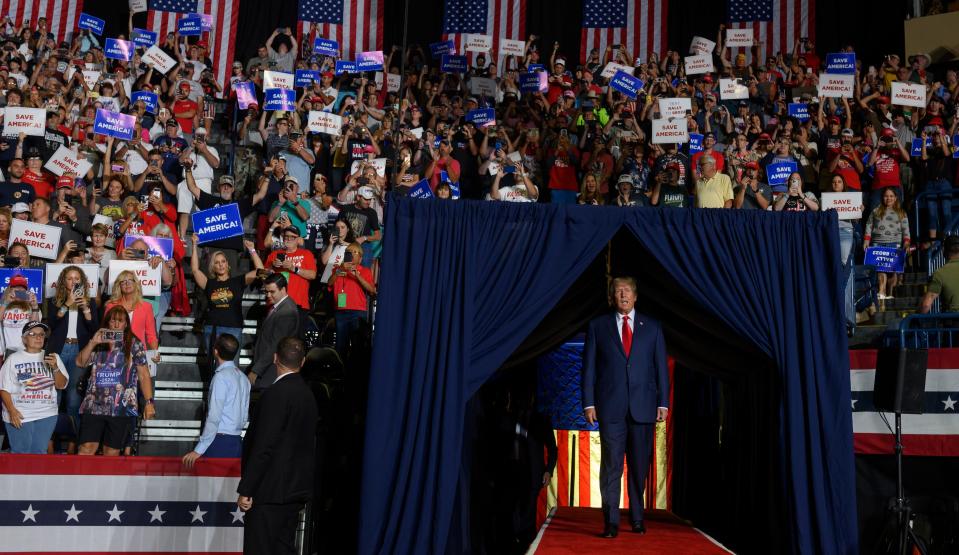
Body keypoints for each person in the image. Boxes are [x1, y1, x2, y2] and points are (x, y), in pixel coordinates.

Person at [581, 277, 668, 538]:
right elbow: (589, 369)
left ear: (636, 296)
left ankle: (638, 518)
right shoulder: (598, 327)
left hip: (643, 408)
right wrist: (588, 402)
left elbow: (660, 368)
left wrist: (663, 402)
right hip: (610, 408)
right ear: (612, 296)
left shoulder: (652, 328)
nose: (623, 295)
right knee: (612, 466)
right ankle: (611, 521)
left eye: (627, 290)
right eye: (618, 291)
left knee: (639, 466)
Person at [237, 337, 318, 555]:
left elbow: (264, 446)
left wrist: (247, 488)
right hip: (294, 491)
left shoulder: (274, 395)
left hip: (269, 491)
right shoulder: (309, 395)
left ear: (275, 358)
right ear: (302, 362)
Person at [75, 306, 156, 456]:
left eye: (120, 321)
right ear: (107, 322)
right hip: (94, 404)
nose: (117, 324)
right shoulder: (98, 341)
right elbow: (80, 363)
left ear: (126, 324)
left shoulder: (134, 343)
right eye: (113, 320)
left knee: (111, 452)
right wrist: (93, 342)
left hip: (121, 407)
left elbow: (144, 375)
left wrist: (149, 402)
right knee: (86, 448)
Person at [45, 265, 99, 440]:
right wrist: (67, 304)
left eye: (77, 278)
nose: (73, 282)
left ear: (82, 282)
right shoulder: (55, 301)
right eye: (70, 278)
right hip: (58, 351)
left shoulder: (89, 302)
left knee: (74, 400)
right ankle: (49, 440)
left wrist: (86, 310)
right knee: (54, 397)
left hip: (79, 351)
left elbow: (94, 329)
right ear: (63, 281)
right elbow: (50, 325)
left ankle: (73, 443)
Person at [182, 333, 250, 466]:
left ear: (216, 351)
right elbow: (245, 414)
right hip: (236, 440)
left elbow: (214, 416)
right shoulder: (243, 378)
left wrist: (199, 449)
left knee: (212, 486)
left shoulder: (221, 377)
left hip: (219, 441)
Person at [0, 322, 67, 453]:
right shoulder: (13, 359)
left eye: (41, 334)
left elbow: (61, 385)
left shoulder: (53, 357)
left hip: (47, 414)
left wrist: (55, 368)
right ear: (24, 339)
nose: (38, 337)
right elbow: (3, 388)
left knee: (39, 453)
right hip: (20, 414)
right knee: (21, 453)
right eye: (33, 334)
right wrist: (12, 411)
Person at [192, 236, 263, 359]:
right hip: (212, 328)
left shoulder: (238, 281)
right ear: (213, 266)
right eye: (217, 262)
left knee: (231, 366)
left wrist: (252, 250)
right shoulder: (209, 283)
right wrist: (194, 245)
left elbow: (261, 271)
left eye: (223, 261)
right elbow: (194, 270)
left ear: (227, 264)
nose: (220, 265)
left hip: (233, 329)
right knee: (213, 367)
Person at [248, 274, 300, 390]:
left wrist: (256, 370)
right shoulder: (280, 306)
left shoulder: (287, 311)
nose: (268, 295)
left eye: (272, 292)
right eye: (266, 292)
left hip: (272, 370)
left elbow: (275, 345)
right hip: (269, 367)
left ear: (283, 289)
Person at [328, 242, 376, 356]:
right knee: (340, 346)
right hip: (341, 312)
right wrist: (341, 270)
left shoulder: (365, 271)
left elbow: (372, 290)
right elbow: (329, 283)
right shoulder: (337, 269)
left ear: (360, 258)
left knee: (358, 346)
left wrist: (357, 275)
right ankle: (341, 372)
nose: (352, 254)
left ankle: (355, 371)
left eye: (355, 252)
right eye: (349, 252)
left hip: (358, 312)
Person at [864, 187, 911, 300]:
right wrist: (866, 241)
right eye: (886, 196)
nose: (888, 198)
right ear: (882, 198)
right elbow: (869, 226)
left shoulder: (901, 213)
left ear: (895, 198)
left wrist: (907, 243)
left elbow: (906, 229)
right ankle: (881, 292)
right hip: (877, 245)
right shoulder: (876, 211)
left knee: (894, 272)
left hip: (894, 245)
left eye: (891, 196)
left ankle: (890, 294)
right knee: (881, 270)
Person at [921, 236, 959, 313]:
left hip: (953, 321)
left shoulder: (940, 273)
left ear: (943, 250)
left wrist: (914, 319)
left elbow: (926, 305)